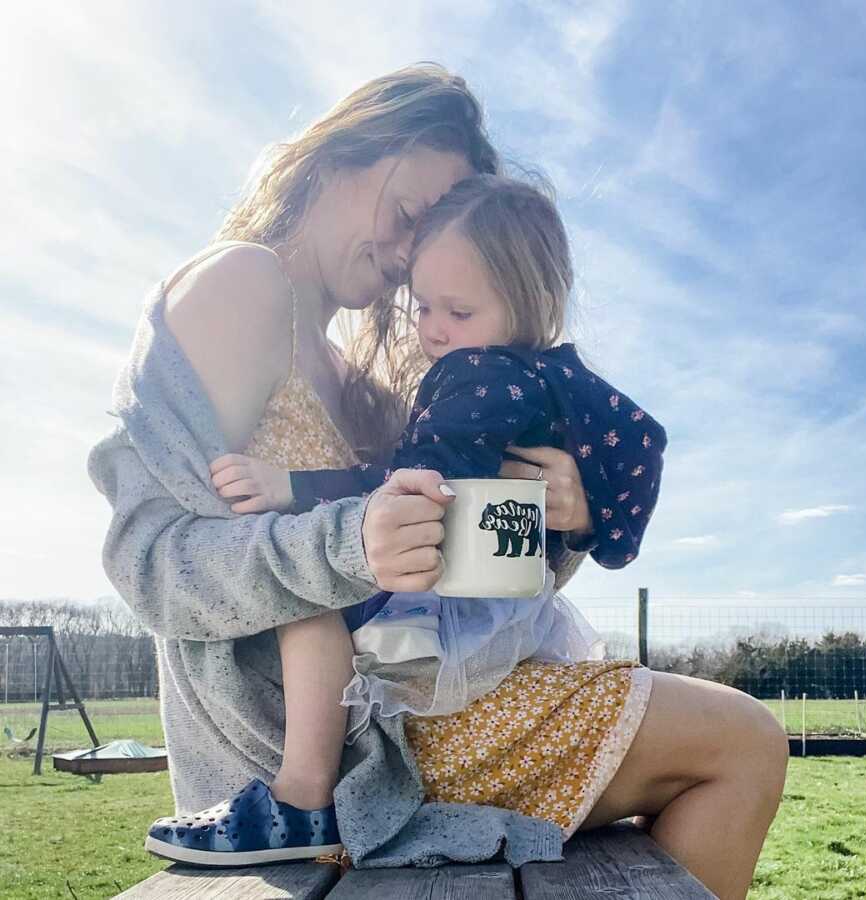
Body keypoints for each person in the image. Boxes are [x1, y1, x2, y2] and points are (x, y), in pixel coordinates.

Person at [90, 64, 788, 900]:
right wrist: (348, 538)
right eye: (411, 214)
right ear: (355, 145)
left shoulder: (374, 386)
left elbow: (459, 577)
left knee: (742, 742)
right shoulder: (245, 281)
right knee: (744, 745)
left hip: (406, 714)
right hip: (320, 762)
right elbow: (154, 564)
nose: (405, 254)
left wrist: (557, 516)